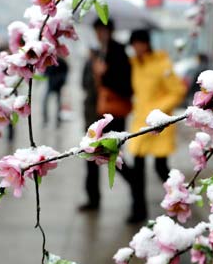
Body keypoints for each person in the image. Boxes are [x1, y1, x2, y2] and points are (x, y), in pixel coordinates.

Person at [79, 19, 140, 221]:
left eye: (104, 30)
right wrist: (95, 73)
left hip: (112, 116)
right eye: (98, 30)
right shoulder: (95, 53)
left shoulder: (120, 53)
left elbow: (126, 87)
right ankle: (93, 199)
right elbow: (84, 83)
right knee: (90, 157)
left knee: (116, 160)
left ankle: (137, 200)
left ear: (111, 31)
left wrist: (105, 75)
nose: (100, 34)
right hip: (92, 114)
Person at [128, 29, 186, 222]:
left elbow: (178, 91)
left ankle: (180, 198)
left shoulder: (163, 64)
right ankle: (138, 211)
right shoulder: (135, 64)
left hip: (159, 124)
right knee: (138, 171)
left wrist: (158, 110)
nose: (138, 47)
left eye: (140, 43)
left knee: (161, 168)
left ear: (147, 43)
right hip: (140, 124)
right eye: (134, 44)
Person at [43, 56, 69, 127]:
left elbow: (65, 72)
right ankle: (46, 119)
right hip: (51, 84)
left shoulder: (62, 61)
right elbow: (45, 71)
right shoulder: (50, 61)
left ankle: (58, 119)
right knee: (45, 102)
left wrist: (62, 81)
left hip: (57, 85)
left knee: (58, 103)